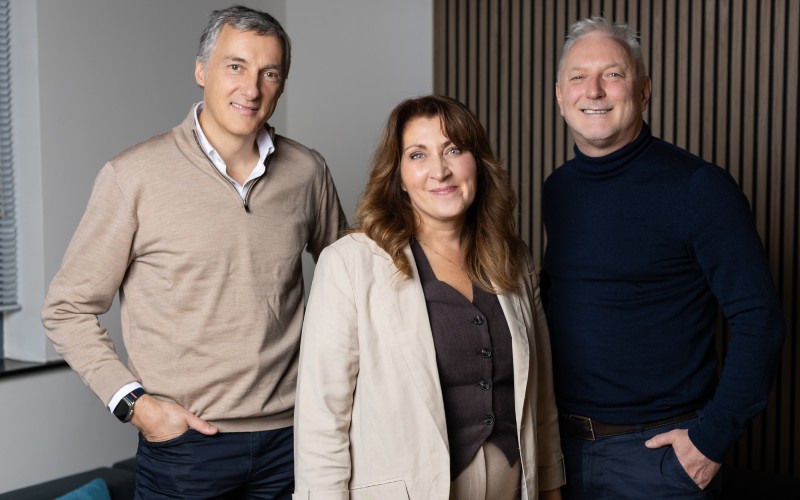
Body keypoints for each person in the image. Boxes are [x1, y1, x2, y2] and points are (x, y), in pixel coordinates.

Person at [41, 5, 346, 498]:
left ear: (282, 84)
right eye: (236, 66)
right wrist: (137, 407)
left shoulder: (307, 172)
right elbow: (66, 309)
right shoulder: (133, 176)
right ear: (202, 70)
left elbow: (350, 285)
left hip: (295, 440)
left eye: (270, 73)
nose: (251, 89)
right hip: (186, 446)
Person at [542, 16, 786, 499]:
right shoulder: (559, 190)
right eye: (577, 76)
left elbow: (761, 318)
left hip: (657, 459)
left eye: (612, 74)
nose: (593, 90)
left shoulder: (698, 188)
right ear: (559, 96)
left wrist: (711, 440)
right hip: (560, 453)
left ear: (644, 89)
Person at [293, 95, 565, 500]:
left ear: (478, 162)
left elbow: (541, 398)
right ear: (398, 176)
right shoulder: (350, 264)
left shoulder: (514, 260)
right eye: (418, 155)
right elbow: (322, 417)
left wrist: (551, 485)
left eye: (454, 149)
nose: (440, 170)